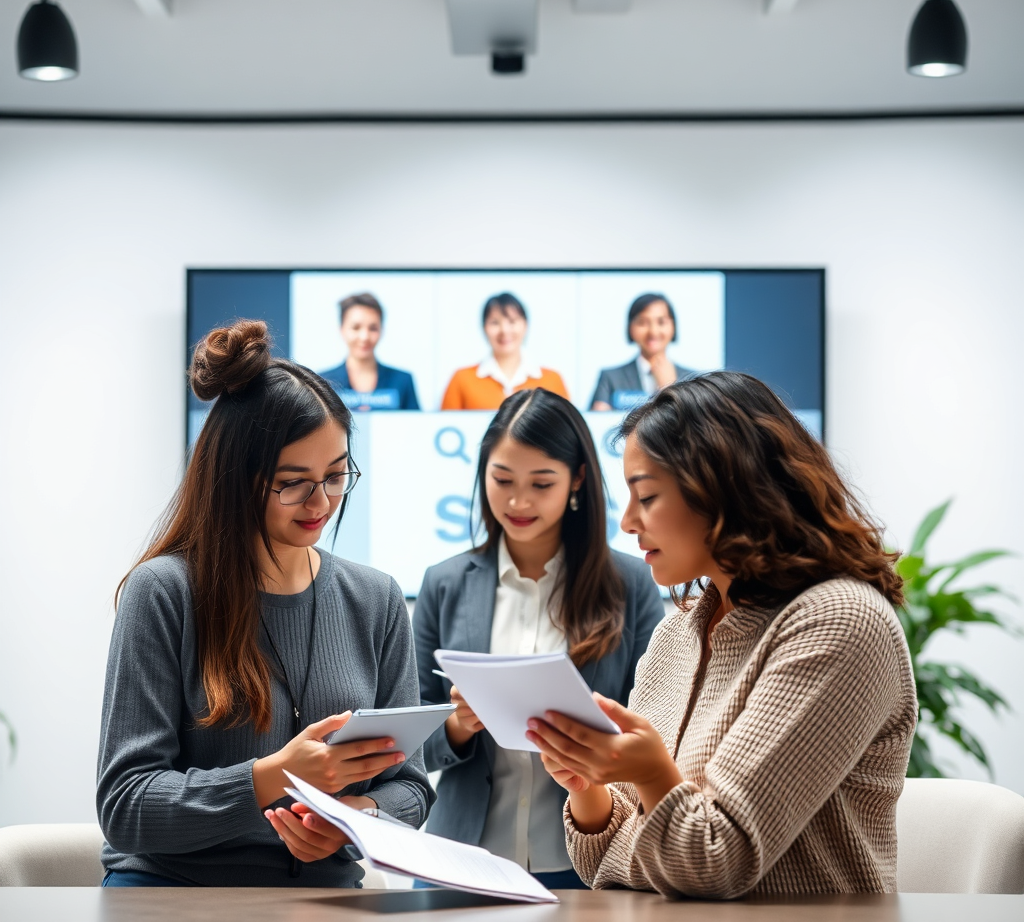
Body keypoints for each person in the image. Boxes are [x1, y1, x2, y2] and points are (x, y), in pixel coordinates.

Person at [527, 372, 917, 898]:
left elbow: (715, 862)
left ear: (723, 489)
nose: (625, 521)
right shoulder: (677, 635)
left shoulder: (840, 621)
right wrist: (590, 790)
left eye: (646, 497)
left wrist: (650, 776)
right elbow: (608, 865)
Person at [97, 320, 433, 887]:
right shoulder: (163, 593)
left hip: (323, 894)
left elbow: (411, 787)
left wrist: (357, 818)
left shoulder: (376, 599)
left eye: (335, 475)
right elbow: (126, 805)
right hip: (178, 897)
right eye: (293, 481)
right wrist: (270, 778)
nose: (321, 501)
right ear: (233, 477)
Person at [414, 388, 665, 889]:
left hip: (589, 859)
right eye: (502, 480)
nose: (518, 501)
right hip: (461, 859)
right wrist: (459, 725)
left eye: (541, 483)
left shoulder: (631, 583)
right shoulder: (444, 583)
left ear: (576, 480)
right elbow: (410, 737)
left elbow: (657, 724)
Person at [441, 293, 569, 410]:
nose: (504, 330)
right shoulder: (462, 379)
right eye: (495, 323)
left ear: (525, 325)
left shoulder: (552, 381)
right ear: (484, 328)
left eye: (512, 321)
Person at [590, 293, 696, 411]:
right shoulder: (610, 378)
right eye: (642, 323)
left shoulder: (693, 380)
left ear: (673, 326)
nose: (653, 331)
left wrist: (668, 388)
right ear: (630, 328)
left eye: (661, 322)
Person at [319, 293, 420, 411]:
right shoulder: (323, 382)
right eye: (356, 327)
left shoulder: (403, 380)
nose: (364, 337)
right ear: (342, 329)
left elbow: (415, 426)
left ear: (382, 330)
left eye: (373, 328)